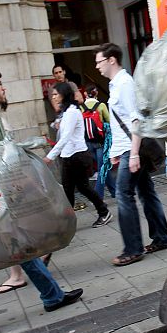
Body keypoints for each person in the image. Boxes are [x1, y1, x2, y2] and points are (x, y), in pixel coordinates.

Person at [0, 68, 83, 326]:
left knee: (22, 249)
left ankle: (52, 296)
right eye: (0, 84)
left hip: (1, 200)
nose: (5, 89)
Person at [94, 43, 167, 266]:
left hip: (133, 149)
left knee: (123, 195)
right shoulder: (115, 85)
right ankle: (161, 237)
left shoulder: (125, 83)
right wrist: (115, 152)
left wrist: (135, 153)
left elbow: (135, 119)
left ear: (111, 60)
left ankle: (133, 249)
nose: (97, 66)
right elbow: (121, 123)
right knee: (146, 192)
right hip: (127, 148)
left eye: (99, 61)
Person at [44, 81, 112, 229]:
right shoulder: (67, 112)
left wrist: (50, 156)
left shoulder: (72, 112)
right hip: (71, 155)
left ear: (63, 95)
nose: (53, 97)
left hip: (77, 155)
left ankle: (100, 212)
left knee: (78, 188)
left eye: (56, 94)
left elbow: (66, 137)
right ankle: (98, 212)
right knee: (75, 188)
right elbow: (62, 131)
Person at [84, 84, 116, 199]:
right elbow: (109, 121)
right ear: (96, 93)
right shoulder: (101, 105)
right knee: (102, 169)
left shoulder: (82, 107)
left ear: (85, 94)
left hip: (87, 143)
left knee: (103, 167)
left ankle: (114, 191)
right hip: (100, 143)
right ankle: (98, 196)